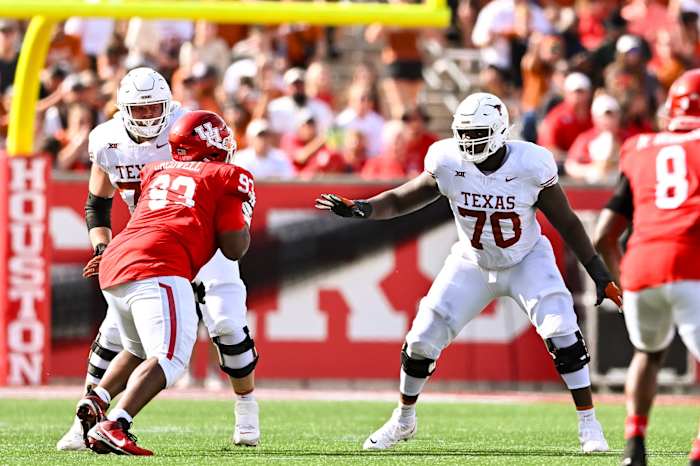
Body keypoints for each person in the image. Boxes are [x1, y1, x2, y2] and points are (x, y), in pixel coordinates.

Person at [316, 92, 622, 453]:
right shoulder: (447, 160)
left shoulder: (530, 164)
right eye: (462, 133)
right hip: (472, 260)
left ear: (499, 131)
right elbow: (404, 198)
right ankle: (403, 420)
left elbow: (568, 223)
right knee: (421, 338)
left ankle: (589, 424)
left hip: (526, 258)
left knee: (561, 330)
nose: (467, 142)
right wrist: (364, 208)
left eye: (476, 133)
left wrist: (599, 273)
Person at [56, 67, 260, 451]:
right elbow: (96, 204)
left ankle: (246, 409)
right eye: (140, 109)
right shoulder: (107, 140)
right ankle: (83, 424)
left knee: (228, 324)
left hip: (199, 239)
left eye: (155, 109)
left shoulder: (187, 127)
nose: (150, 117)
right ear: (123, 109)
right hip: (154, 243)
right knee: (117, 334)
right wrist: (102, 247)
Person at [593, 69, 700, 466]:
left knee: (648, 354)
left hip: (640, 267)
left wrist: (625, 285)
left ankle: (634, 445)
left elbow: (604, 237)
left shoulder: (640, 147)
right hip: (690, 262)